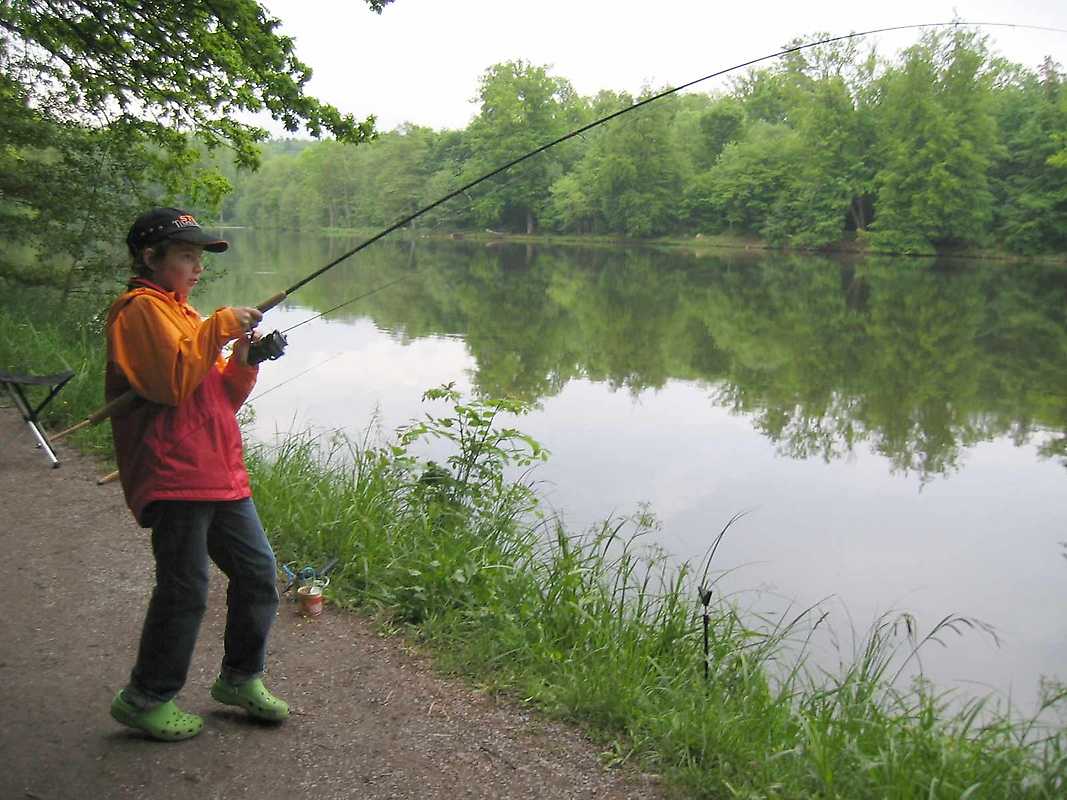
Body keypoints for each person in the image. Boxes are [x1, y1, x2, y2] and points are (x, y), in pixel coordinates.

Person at [106, 207, 288, 741]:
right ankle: (146, 697)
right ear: (150, 257)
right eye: (187, 256)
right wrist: (221, 326)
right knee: (185, 590)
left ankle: (239, 678)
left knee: (257, 574)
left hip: (219, 472)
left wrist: (246, 360)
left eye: (198, 258)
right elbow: (169, 386)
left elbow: (216, 400)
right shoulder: (139, 312)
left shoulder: (185, 316)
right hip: (175, 475)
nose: (197, 267)